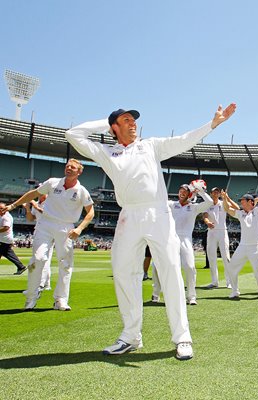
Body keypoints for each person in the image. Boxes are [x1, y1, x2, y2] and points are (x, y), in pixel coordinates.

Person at [65, 104, 236, 360]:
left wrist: (212, 124)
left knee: (169, 271)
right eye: (126, 120)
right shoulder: (107, 152)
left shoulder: (150, 145)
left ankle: (183, 337)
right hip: (128, 216)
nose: (133, 123)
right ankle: (131, 336)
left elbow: (183, 141)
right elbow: (73, 135)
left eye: (134, 120)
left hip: (157, 214)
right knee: (124, 273)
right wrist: (108, 122)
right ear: (115, 128)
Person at [0, 159, 95, 311]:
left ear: (79, 171)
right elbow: (33, 193)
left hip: (66, 227)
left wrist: (80, 229)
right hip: (45, 224)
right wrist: (12, 205)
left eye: (73, 167)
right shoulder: (52, 182)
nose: (69, 168)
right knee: (37, 259)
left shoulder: (81, 191)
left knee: (65, 264)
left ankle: (61, 300)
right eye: (67, 166)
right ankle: (31, 296)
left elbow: (90, 212)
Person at [152, 183, 213, 305]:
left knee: (190, 267)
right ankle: (156, 293)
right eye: (180, 190)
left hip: (185, 240)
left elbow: (209, 202)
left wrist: (200, 191)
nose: (181, 192)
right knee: (156, 265)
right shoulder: (172, 205)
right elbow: (158, 200)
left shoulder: (194, 207)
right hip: (170, 239)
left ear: (190, 194)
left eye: (184, 191)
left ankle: (191, 297)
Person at [222, 191, 258, 299]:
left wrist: (255, 200)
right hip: (243, 246)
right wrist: (225, 199)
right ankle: (235, 291)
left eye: (243, 202)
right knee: (231, 268)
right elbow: (227, 209)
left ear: (250, 202)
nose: (241, 204)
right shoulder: (241, 213)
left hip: (256, 247)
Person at [202, 187, 232, 288]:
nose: (215, 194)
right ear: (210, 194)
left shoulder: (222, 203)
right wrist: (208, 222)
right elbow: (205, 216)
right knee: (211, 257)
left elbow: (232, 208)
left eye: (217, 192)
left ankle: (229, 282)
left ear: (219, 194)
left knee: (226, 256)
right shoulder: (207, 204)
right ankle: (214, 282)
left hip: (222, 232)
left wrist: (225, 198)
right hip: (211, 232)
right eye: (214, 192)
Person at [23, 195, 53, 290]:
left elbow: (49, 215)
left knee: (43, 257)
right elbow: (31, 218)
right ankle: (46, 284)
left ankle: (40, 284)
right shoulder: (36, 203)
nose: (40, 194)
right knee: (41, 257)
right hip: (39, 231)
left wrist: (36, 206)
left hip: (49, 232)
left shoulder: (51, 202)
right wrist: (28, 208)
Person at [0, 202, 27, 275]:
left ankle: (21, 267)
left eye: (2, 208)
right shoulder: (2, 216)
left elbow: (6, 228)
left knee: (7, 253)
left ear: (6, 209)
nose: (0, 210)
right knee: (8, 254)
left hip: (4, 239)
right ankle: (21, 267)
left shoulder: (6, 217)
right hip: (4, 239)